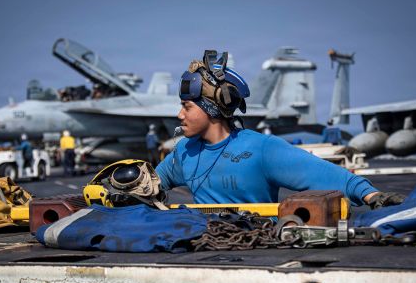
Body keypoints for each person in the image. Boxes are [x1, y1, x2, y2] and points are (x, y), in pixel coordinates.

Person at [156, 50, 401, 209]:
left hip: (258, 252)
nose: (180, 115)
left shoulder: (261, 149)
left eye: (186, 106)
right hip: (202, 251)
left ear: (212, 107)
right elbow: (151, 183)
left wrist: (371, 195)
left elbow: (325, 175)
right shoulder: (183, 152)